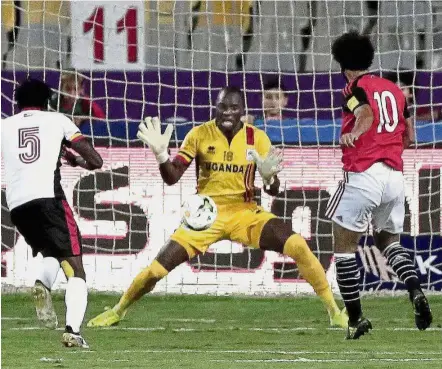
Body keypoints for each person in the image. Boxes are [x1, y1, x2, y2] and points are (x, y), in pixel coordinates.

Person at [87, 87, 348, 328]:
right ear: (215, 108)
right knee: (156, 270)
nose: (228, 113)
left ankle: (334, 312)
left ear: (243, 111)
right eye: (223, 107)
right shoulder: (199, 134)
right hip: (205, 215)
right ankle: (118, 310)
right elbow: (172, 177)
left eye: (234, 108)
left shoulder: (257, 138)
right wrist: (161, 156)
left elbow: (274, 190)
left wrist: (269, 178)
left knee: (298, 245)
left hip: (245, 212)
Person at [329, 31, 432, 339]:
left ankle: (357, 319)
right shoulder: (396, 90)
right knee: (389, 243)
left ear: (343, 66)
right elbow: (409, 136)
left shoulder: (353, 87)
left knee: (344, 250)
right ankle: (414, 289)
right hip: (394, 176)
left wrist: (356, 133)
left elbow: (365, 114)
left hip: (364, 173)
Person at [1, 78, 103, 348]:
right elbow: (95, 161)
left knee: (53, 252)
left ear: (17, 103)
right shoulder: (57, 120)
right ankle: (74, 331)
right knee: (76, 268)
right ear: (47, 101)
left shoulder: (4, 126)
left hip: (18, 206)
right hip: (49, 201)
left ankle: (42, 283)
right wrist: (74, 159)